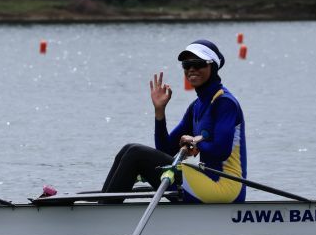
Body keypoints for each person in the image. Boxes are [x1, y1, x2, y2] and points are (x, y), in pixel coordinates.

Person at [101, 39, 246, 203]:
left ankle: (102, 215)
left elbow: (221, 151)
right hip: (207, 179)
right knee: (128, 149)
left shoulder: (224, 102)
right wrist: (159, 112)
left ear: (212, 67)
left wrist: (196, 143)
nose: (191, 69)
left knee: (136, 153)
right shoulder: (196, 107)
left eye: (198, 63)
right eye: (186, 65)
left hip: (226, 188)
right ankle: (102, 206)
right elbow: (165, 150)